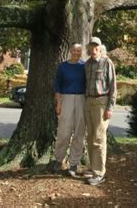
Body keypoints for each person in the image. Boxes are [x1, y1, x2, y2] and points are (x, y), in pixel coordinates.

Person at [84, 36, 116, 186]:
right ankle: (92, 167)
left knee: (98, 138)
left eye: (96, 47)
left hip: (101, 103)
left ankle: (99, 173)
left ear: (100, 48)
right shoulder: (87, 64)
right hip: (88, 102)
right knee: (90, 137)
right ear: (89, 48)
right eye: (91, 47)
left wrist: (110, 107)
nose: (93, 50)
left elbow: (113, 87)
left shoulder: (107, 62)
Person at [53, 42, 86, 177]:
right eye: (74, 50)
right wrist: (58, 103)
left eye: (79, 51)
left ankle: (74, 163)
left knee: (79, 132)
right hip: (65, 98)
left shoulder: (84, 66)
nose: (76, 53)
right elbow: (58, 86)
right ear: (70, 51)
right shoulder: (63, 67)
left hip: (81, 99)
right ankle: (59, 159)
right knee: (64, 132)